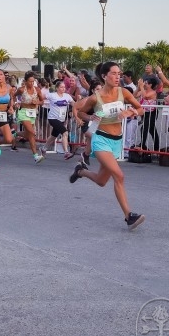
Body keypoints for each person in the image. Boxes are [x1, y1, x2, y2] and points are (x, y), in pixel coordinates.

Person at [69, 62, 146, 230]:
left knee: (101, 181)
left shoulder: (124, 92)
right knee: (119, 175)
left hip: (116, 141)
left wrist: (131, 112)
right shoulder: (95, 98)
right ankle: (129, 216)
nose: (118, 76)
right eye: (114, 73)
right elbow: (81, 111)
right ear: (104, 76)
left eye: (119, 73)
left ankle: (80, 171)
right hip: (100, 139)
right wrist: (91, 118)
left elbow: (141, 109)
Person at [15, 71, 45, 164]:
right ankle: (36, 155)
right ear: (25, 81)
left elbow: (42, 101)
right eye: (30, 81)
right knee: (32, 132)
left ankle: (16, 134)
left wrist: (37, 102)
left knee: (30, 134)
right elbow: (13, 96)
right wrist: (15, 103)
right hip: (23, 112)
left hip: (32, 113)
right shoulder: (21, 89)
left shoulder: (37, 90)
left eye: (33, 81)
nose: (32, 83)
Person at [44, 79, 76, 159]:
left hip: (61, 119)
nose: (63, 89)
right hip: (53, 118)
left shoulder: (67, 96)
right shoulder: (52, 95)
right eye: (61, 87)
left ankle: (43, 148)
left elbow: (74, 104)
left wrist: (80, 102)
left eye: (64, 87)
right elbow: (42, 97)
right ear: (57, 88)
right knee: (65, 133)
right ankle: (66, 152)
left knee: (53, 136)